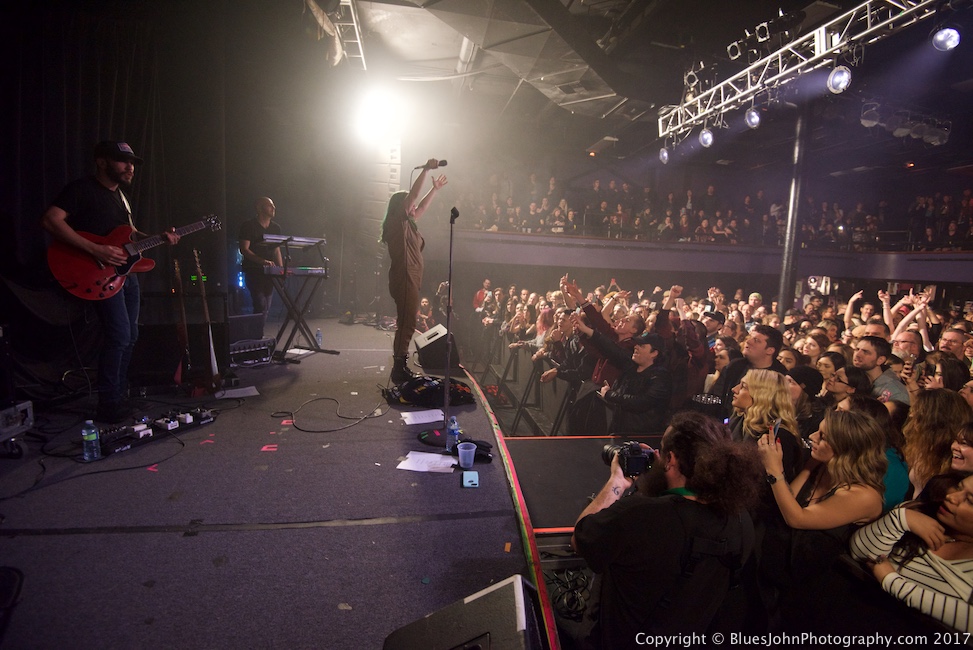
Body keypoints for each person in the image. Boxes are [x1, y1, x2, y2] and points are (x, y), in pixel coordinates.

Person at [572, 412, 764, 647]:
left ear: (671, 459)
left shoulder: (639, 515)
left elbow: (581, 539)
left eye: (661, 451)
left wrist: (617, 482)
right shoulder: (742, 521)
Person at [42, 141, 180, 423]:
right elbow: (51, 220)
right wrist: (95, 249)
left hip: (125, 276)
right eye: (122, 161)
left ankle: (118, 396)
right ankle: (109, 403)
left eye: (132, 162)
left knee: (131, 336)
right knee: (119, 336)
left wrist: (159, 237)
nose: (130, 167)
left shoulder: (123, 198)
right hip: (99, 274)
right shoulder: (81, 189)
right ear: (102, 162)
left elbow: (130, 235)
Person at [757, 409, 886, 632]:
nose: (813, 437)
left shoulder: (864, 495)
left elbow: (796, 518)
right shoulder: (821, 467)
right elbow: (790, 502)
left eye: (823, 436)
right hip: (781, 581)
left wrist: (774, 469)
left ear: (846, 447)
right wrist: (809, 466)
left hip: (817, 597)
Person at [850, 472, 973, 633]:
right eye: (958, 487)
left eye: (969, 500)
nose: (952, 497)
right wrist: (900, 519)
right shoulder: (921, 512)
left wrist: (893, 583)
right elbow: (860, 552)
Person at [380, 159, 447, 384]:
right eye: (408, 205)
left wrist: (434, 190)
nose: (412, 209)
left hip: (412, 276)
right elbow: (413, 198)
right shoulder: (396, 221)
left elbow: (421, 207)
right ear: (401, 206)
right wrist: (426, 170)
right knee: (407, 322)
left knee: (407, 320)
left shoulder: (408, 223)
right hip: (404, 274)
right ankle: (399, 367)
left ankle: (400, 364)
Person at [238, 197, 283, 324]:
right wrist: (262, 261)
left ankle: (257, 333)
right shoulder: (248, 226)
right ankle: (256, 335)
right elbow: (244, 249)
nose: (273, 208)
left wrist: (281, 269)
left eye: (273, 205)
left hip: (269, 272)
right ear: (259, 208)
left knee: (266, 307)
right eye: (269, 205)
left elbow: (276, 250)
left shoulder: (276, 228)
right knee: (260, 304)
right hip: (253, 271)